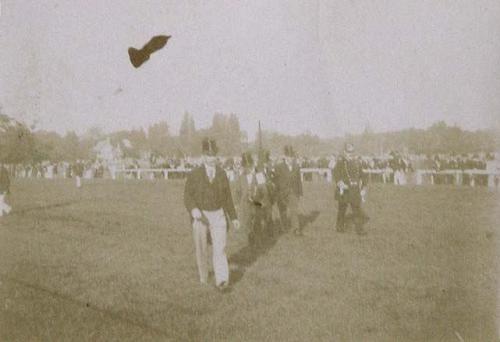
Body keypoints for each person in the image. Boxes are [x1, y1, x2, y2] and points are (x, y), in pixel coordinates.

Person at [184, 138, 240, 291]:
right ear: (203, 156)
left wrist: (233, 217)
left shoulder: (222, 174)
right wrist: (193, 209)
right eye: (208, 155)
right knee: (201, 247)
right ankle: (203, 277)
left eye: (213, 154)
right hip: (201, 216)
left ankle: (222, 280)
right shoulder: (194, 174)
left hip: (218, 214)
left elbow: (227, 197)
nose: (211, 158)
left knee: (219, 248)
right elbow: (187, 196)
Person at [333, 143, 369, 235]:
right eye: (349, 152)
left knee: (356, 209)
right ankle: (339, 227)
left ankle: (360, 229)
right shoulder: (341, 162)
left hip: (354, 189)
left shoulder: (357, 162)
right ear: (345, 152)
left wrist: (364, 187)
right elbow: (336, 174)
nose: (351, 154)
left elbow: (363, 175)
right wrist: (340, 183)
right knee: (342, 209)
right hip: (344, 189)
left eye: (352, 151)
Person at [274, 145, 303, 236]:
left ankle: (296, 229)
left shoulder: (296, 167)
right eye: (289, 157)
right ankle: (284, 227)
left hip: (293, 192)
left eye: (292, 157)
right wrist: (276, 194)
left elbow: (299, 180)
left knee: (294, 210)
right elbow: (276, 181)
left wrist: (299, 192)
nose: (291, 159)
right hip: (281, 193)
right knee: (283, 211)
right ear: (285, 157)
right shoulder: (279, 167)